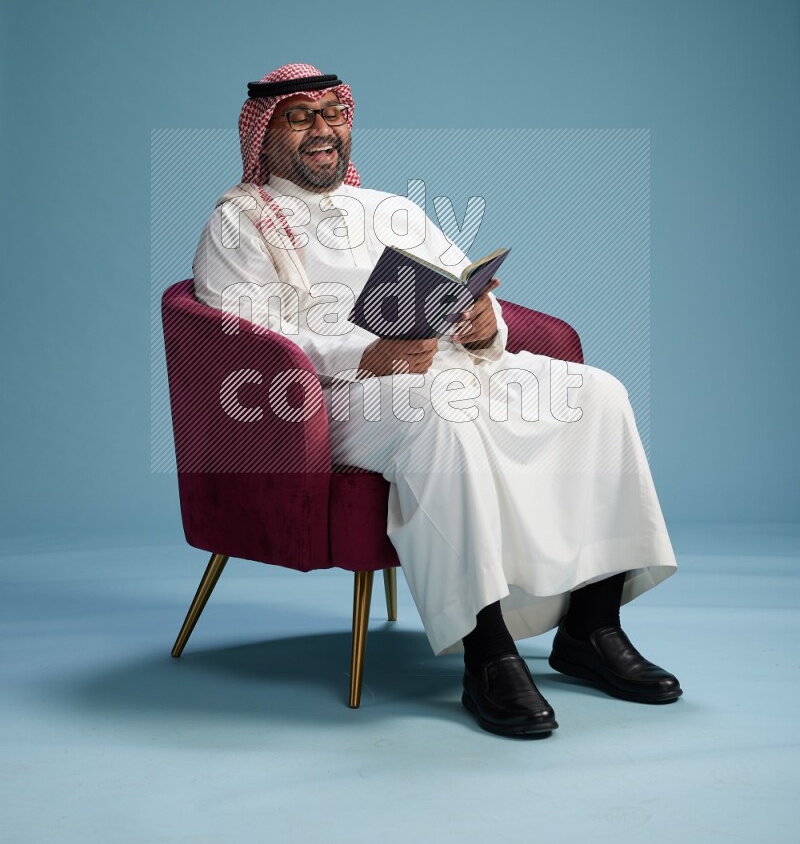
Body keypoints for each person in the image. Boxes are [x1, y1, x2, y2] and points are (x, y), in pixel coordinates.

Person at [193, 62, 682, 737]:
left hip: (448, 367)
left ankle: (592, 628)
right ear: (264, 134)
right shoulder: (238, 222)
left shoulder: (391, 208)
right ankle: (487, 657)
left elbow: (462, 286)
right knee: (437, 422)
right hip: (331, 398)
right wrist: (368, 355)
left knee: (595, 394)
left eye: (332, 114)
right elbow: (244, 336)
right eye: (300, 117)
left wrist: (487, 323)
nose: (322, 130)